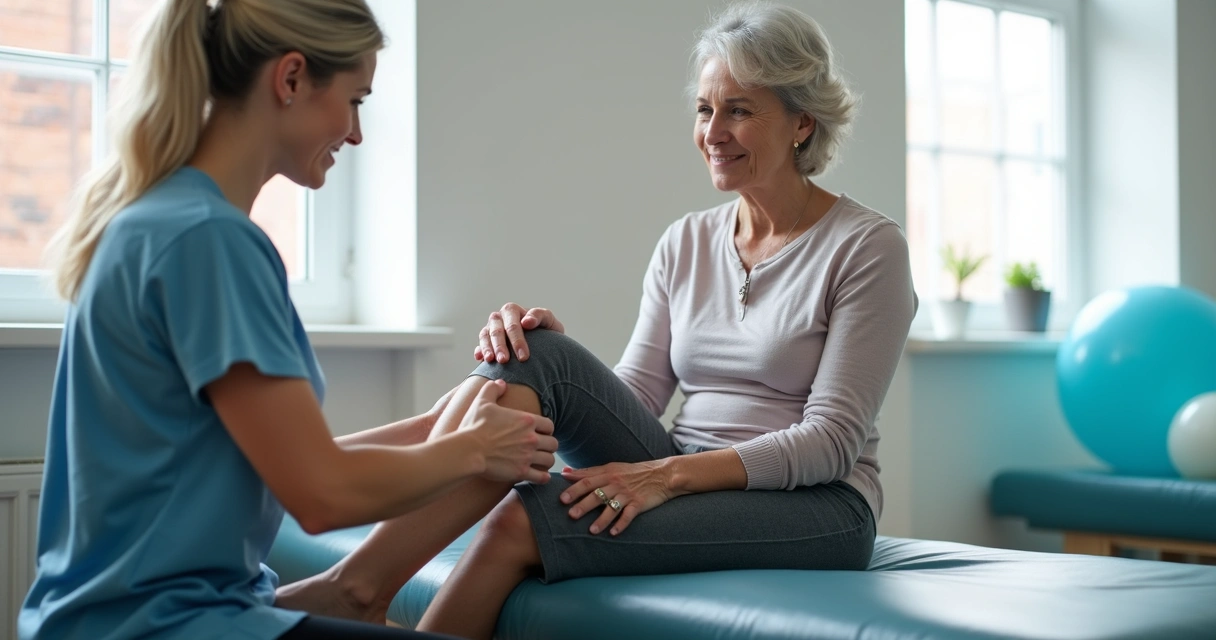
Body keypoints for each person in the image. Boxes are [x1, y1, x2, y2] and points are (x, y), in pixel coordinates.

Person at [277, 2, 918, 639]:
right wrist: (550, 354)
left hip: (814, 506)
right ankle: (359, 588)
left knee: (521, 520)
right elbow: (638, 394)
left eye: (740, 110)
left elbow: (831, 442)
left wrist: (664, 477)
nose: (713, 131)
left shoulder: (867, 247)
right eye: (704, 109)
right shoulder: (686, 241)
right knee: (530, 348)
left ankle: (356, 592)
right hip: (682, 459)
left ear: (802, 122)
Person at [17, 1, 560, 639]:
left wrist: (433, 424)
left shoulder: (157, 220)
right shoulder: (210, 241)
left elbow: (264, 462)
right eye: (355, 100)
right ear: (292, 79)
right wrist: (474, 451)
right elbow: (321, 494)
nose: (356, 133)